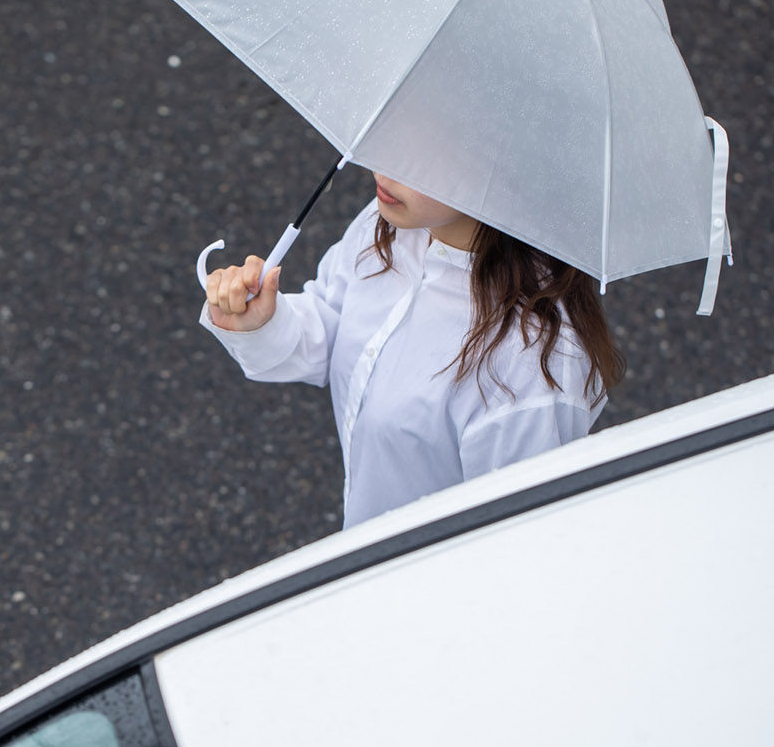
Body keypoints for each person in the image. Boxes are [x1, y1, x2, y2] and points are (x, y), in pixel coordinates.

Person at [200, 172, 624, 528]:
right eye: (397, 129)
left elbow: (514, 544)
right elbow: (341, 330)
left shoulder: (529, 367)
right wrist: (265, 323)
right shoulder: (389, 222)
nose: (387, 167)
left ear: (499, 164)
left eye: (426, 152)